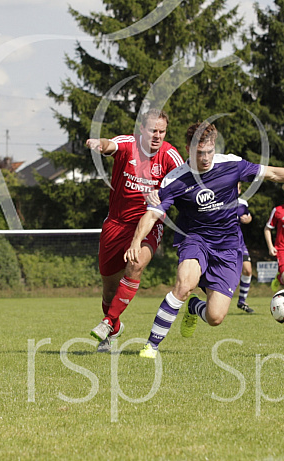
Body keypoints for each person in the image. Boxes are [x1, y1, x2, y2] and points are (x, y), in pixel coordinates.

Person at [124, 121, 284, 359]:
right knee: (183, 284)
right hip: (195, 239)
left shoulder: (231, 164)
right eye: (199, 153)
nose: (206, 158)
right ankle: (151, 346)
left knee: (215, 317)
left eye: (209, 151)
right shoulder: (175, 180)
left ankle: (194, 308)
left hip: (228, 247)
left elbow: (272, 173)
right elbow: (152, 214)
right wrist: (136, 242)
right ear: (188, 148)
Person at [87, 109, 184, 353]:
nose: (157, 136)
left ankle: (107, 323)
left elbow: (186, 181)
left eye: (162, 131)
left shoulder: (170, 155)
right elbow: (111, 145)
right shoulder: (128, 144)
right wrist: (100, 144)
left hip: (149, 223)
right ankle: (115, 325)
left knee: (137, 263)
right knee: (109, 290)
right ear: (142, 129)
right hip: (116, 224)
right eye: (153, 130)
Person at [235, 183, 254, 313]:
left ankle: (242, 301)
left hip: (239, 242)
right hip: (223, 243)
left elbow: (248, 216)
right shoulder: (218, 200)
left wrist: (247, 219)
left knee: (247, 270)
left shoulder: (242, 202)